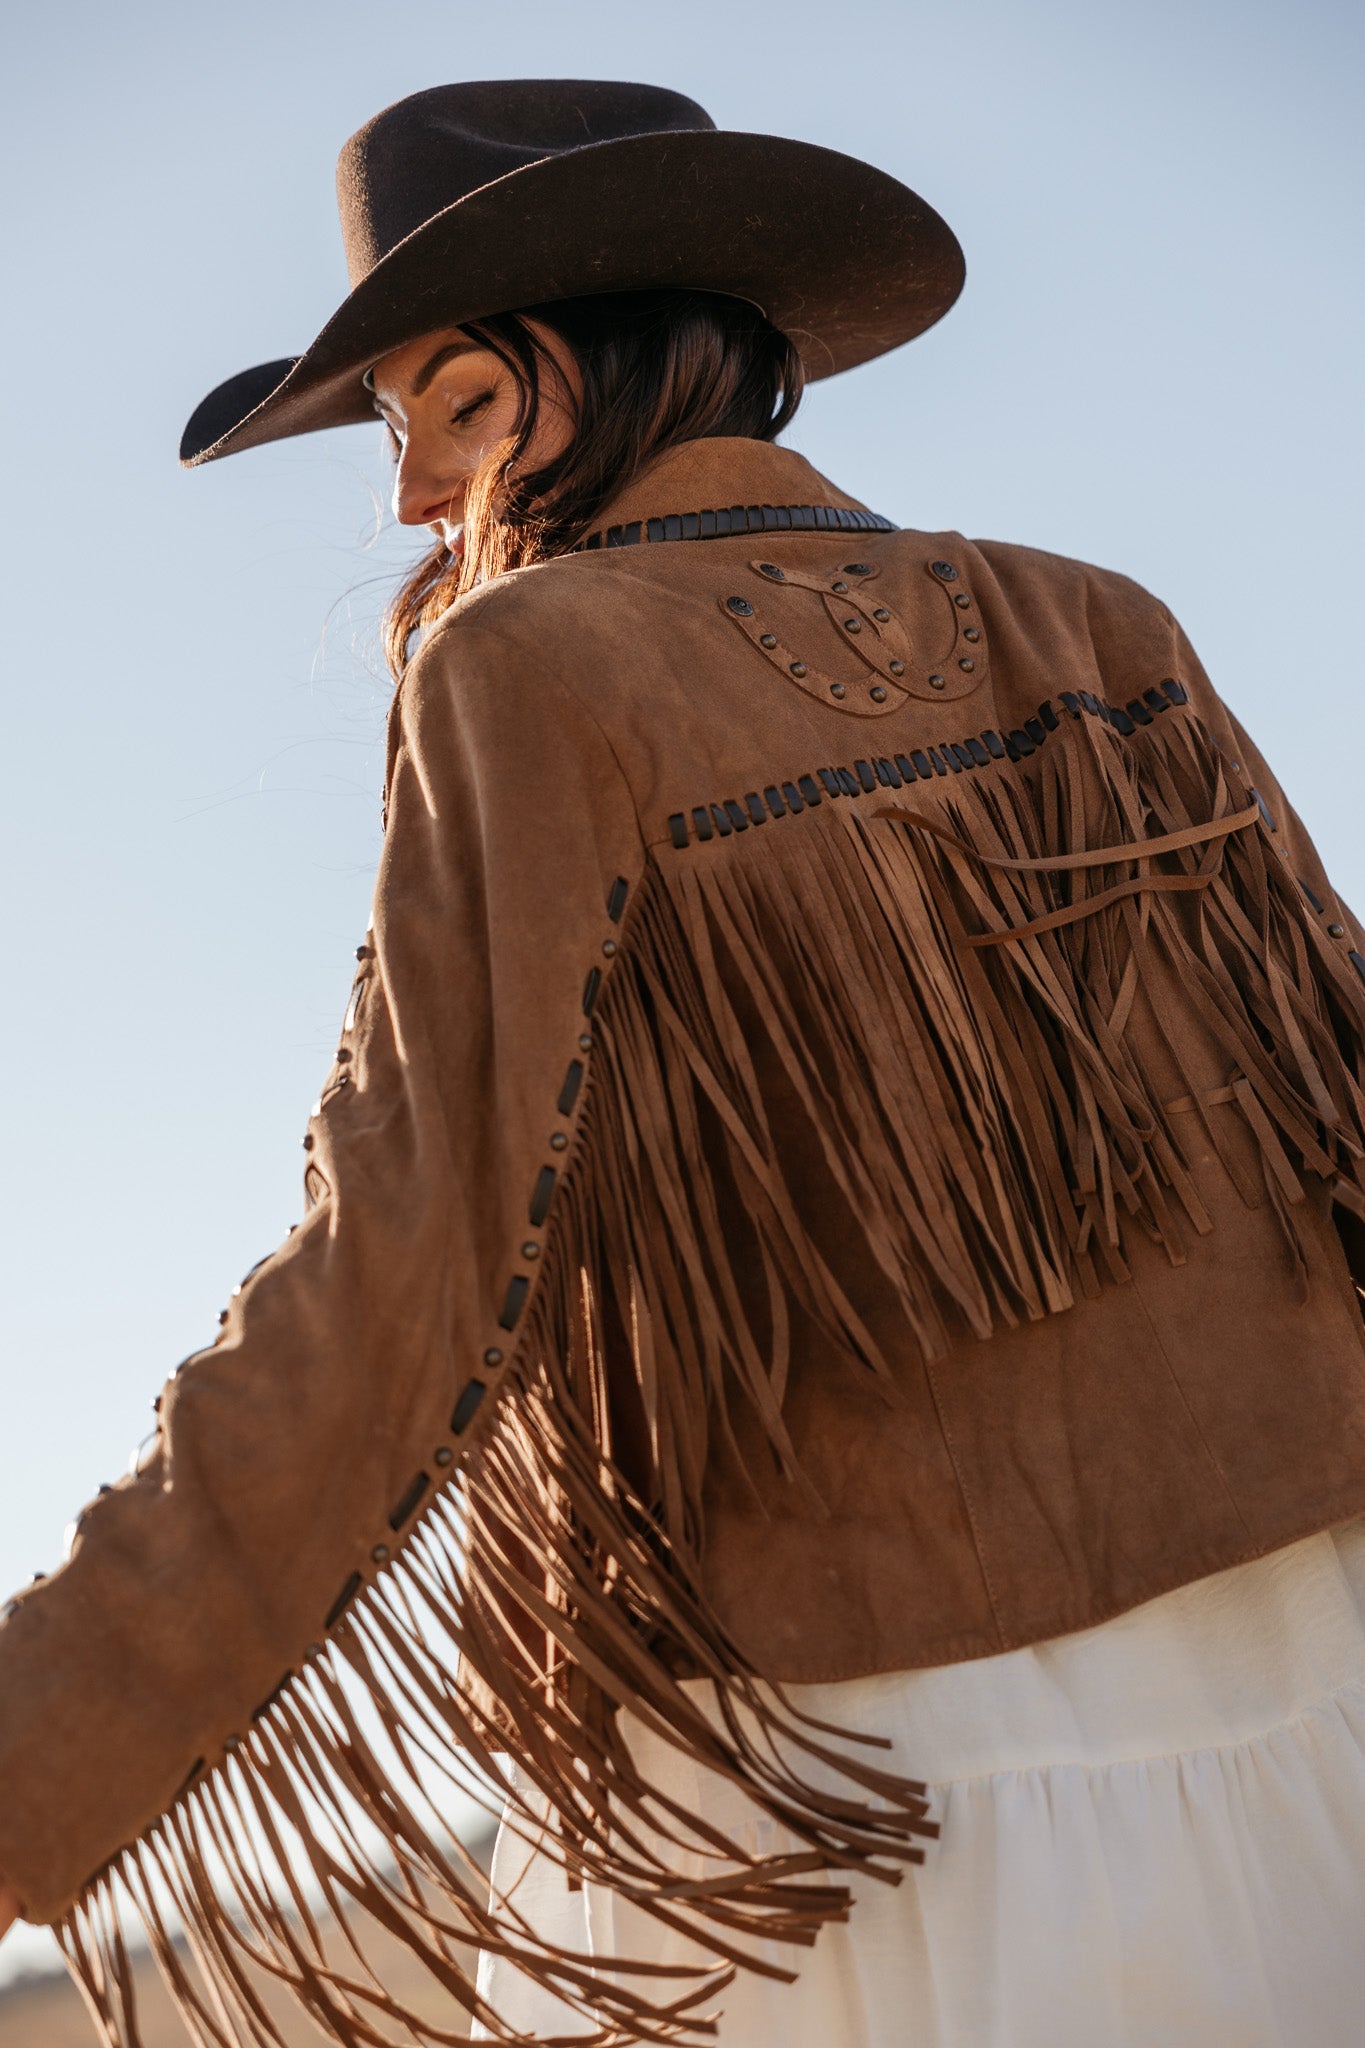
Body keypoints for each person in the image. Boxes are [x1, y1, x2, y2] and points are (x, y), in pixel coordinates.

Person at [2, 76, 1365, 2048]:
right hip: (1304, 1693)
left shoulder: (533, 668)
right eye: (391, 427)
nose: (403, 496)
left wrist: (46, 1737)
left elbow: (401, 1261)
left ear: (620, 363)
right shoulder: (1093, 625)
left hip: (846, 1791)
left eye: (449, 405)